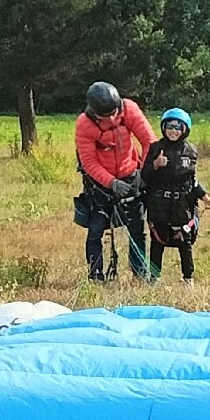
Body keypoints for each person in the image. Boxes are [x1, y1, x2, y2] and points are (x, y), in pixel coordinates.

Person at [75, 81, 157, 282]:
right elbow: (89, 162)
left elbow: (150, 142)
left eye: (114, 112)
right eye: (106, 116)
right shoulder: (84, 124)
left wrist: (143, 174)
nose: (112, 118)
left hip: (131, 175)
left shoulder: (128, 108)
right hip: (100, 184)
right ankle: (96, 275)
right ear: (95, 113)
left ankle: (140, 273)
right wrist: (111, 183)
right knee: (96, 231)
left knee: (137, 228)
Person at [141, 108, 210, 285]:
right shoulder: (155, 148)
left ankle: (188, 278)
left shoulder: (191, 151)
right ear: (163, 127)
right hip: (159, 205)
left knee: (185, 241)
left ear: (184, 129)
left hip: (182, 206)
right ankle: (154, 277)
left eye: (177, 127)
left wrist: (204, 196)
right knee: (157, 241)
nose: (173, 131)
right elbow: (145, 176)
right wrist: (156, 165)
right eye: (170, 126)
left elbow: (192, 181)